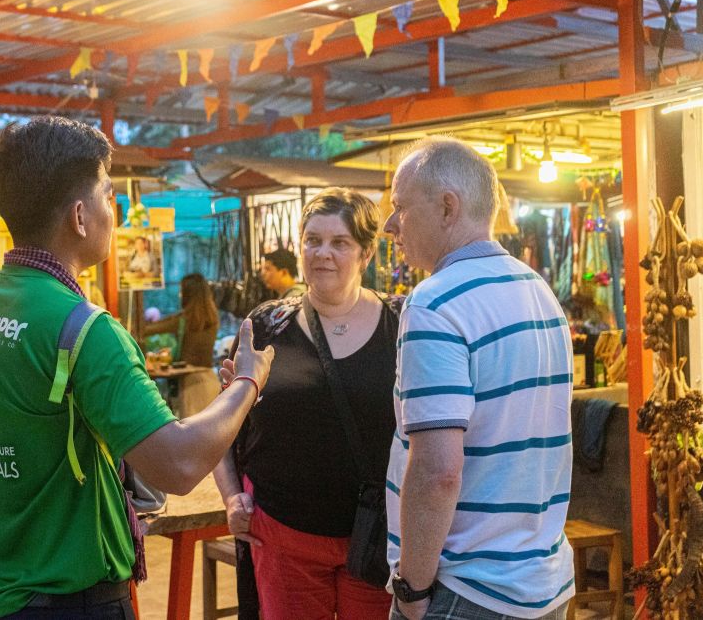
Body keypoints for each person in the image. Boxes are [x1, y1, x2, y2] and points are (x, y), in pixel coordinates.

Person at [0, 116, 274, 620]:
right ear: (79, 216)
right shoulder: (85, 331)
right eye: (108, 196)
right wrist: (247, 383)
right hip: (68, 603)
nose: (112, 213)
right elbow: (177, 465)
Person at [382, 136, 573, 620]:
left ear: (448, 207)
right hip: (541, 581)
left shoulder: (434, 303)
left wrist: (412, 588)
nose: (389, 226)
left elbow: (437, 471)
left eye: (400, 208)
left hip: (466, 587)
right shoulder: (537, 289)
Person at [213, 187, 399, 620]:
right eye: (312, 240)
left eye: (340, 243)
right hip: (283, 533)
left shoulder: (401, 325)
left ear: (366, 253)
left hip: (375, 537)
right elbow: (223, 421)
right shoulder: (266, 325)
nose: (323, 253)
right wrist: (231, 498)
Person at [142, 273, 219, 368]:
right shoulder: (213, 318)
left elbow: (146, 330)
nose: (179, 295)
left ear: (187, 295)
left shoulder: (184, 320)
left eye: (181, 291)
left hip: (188, 377)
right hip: (208, 375)